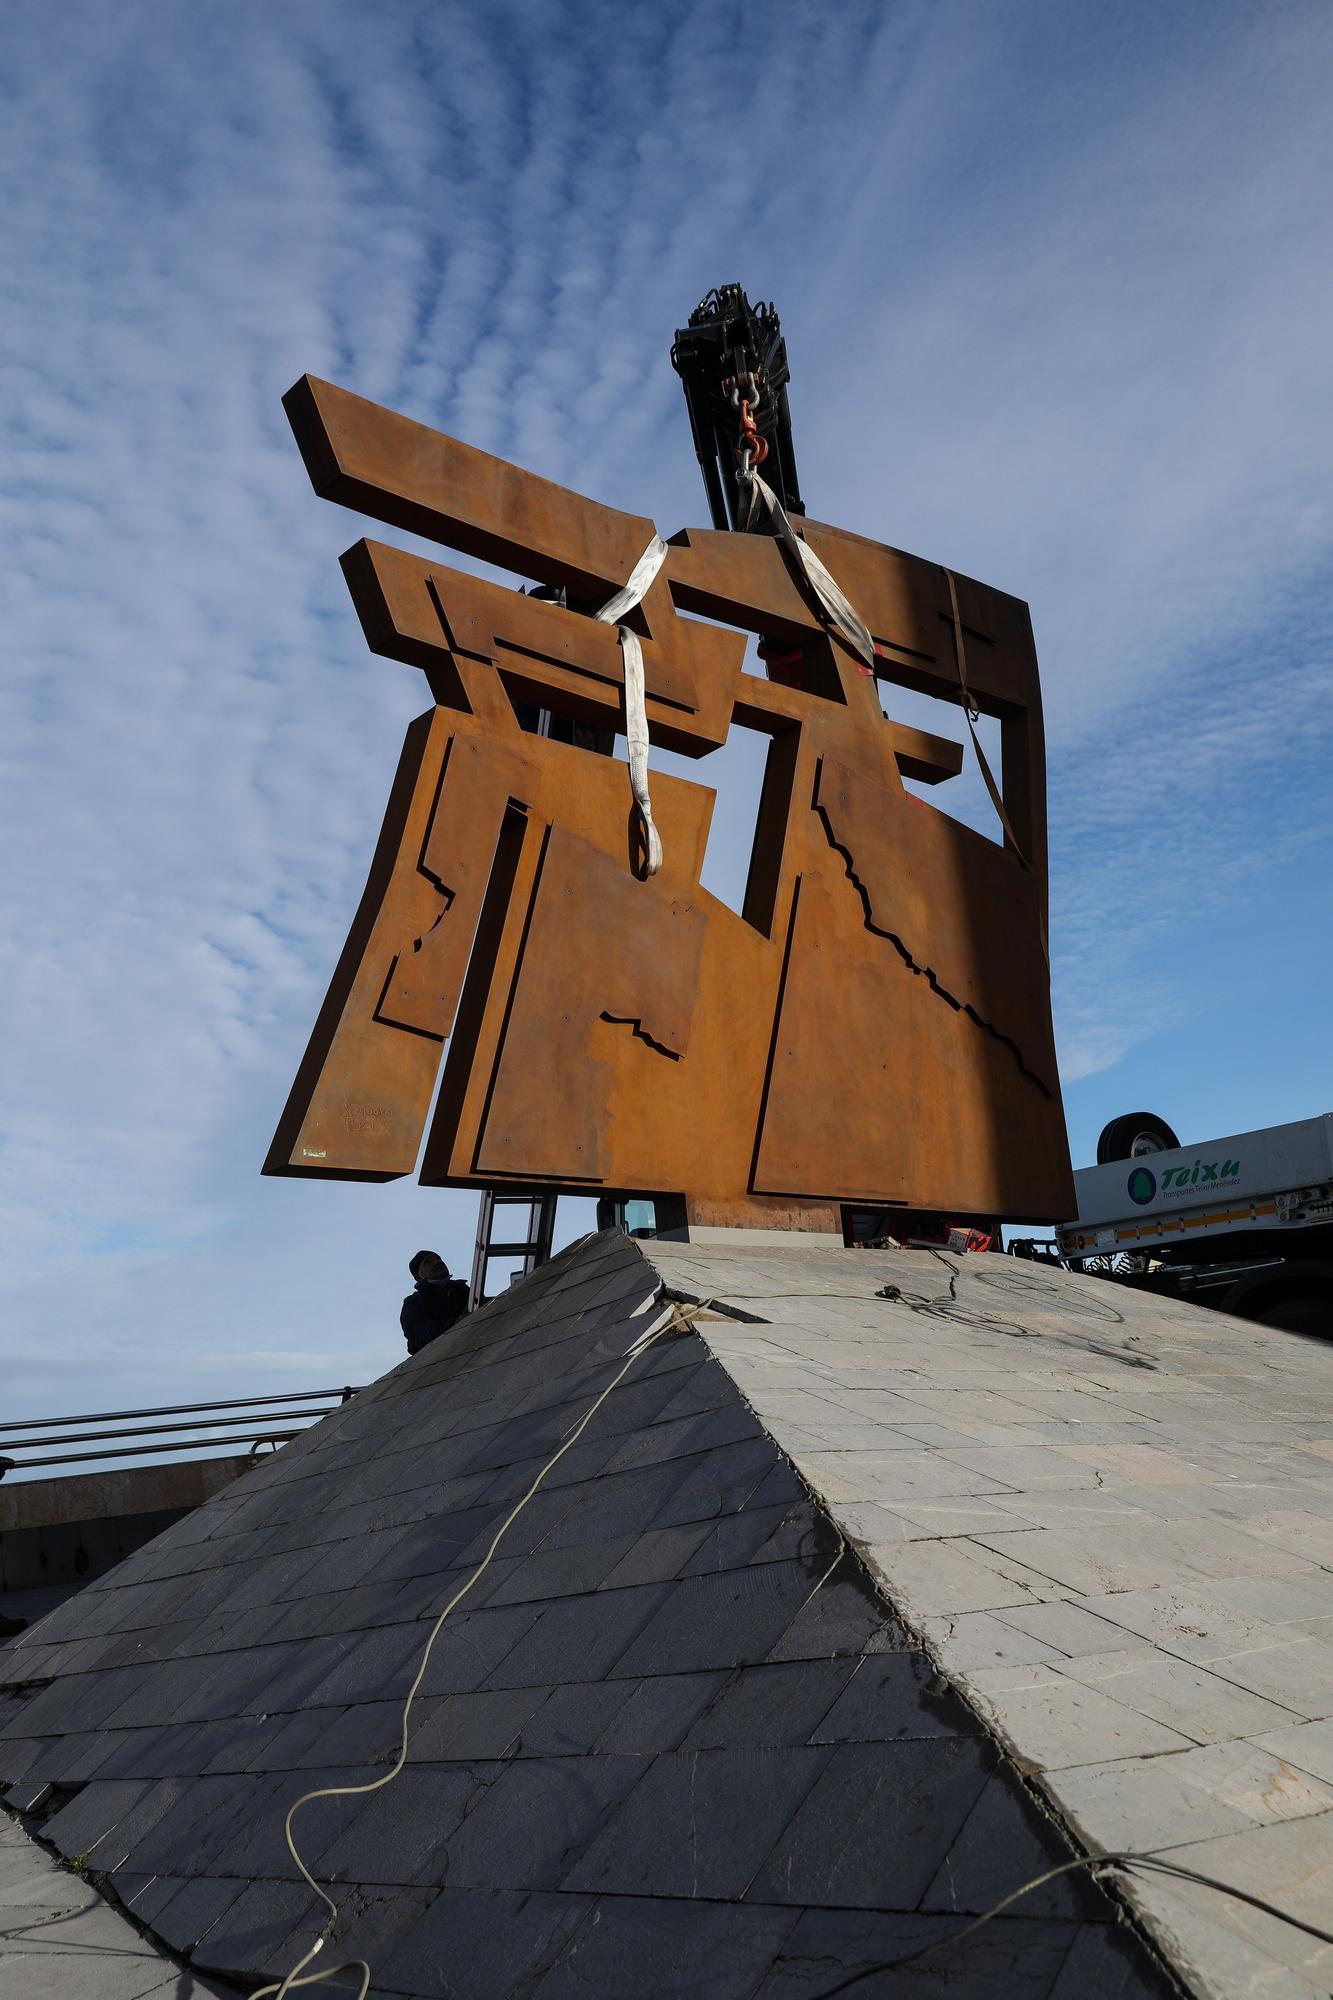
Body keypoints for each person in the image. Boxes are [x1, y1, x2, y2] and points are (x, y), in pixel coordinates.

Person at [400, 1251, 470, 1356]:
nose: (437, 1262)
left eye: (438, 1258)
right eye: (428, 1262)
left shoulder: (461, 1289)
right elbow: (418, 1337)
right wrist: (457, 1322)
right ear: (418, 1277)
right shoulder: (413, 1303)